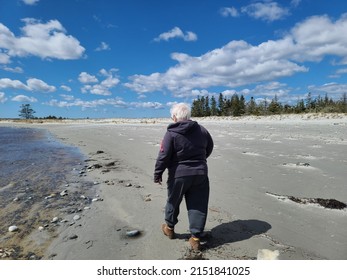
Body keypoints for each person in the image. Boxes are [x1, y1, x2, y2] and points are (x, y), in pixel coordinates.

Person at [154, 103, 214, 251]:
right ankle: (195, 238)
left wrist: (158, 173)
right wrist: (200, 160)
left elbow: (164, 155)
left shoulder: (171, 133)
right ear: (188, 116)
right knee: (198, 205)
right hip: (200, 173)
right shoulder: (201, 130)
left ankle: (169, 228)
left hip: (178, 175)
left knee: (173, 201)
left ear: (174, 117)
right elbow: (209, 147)